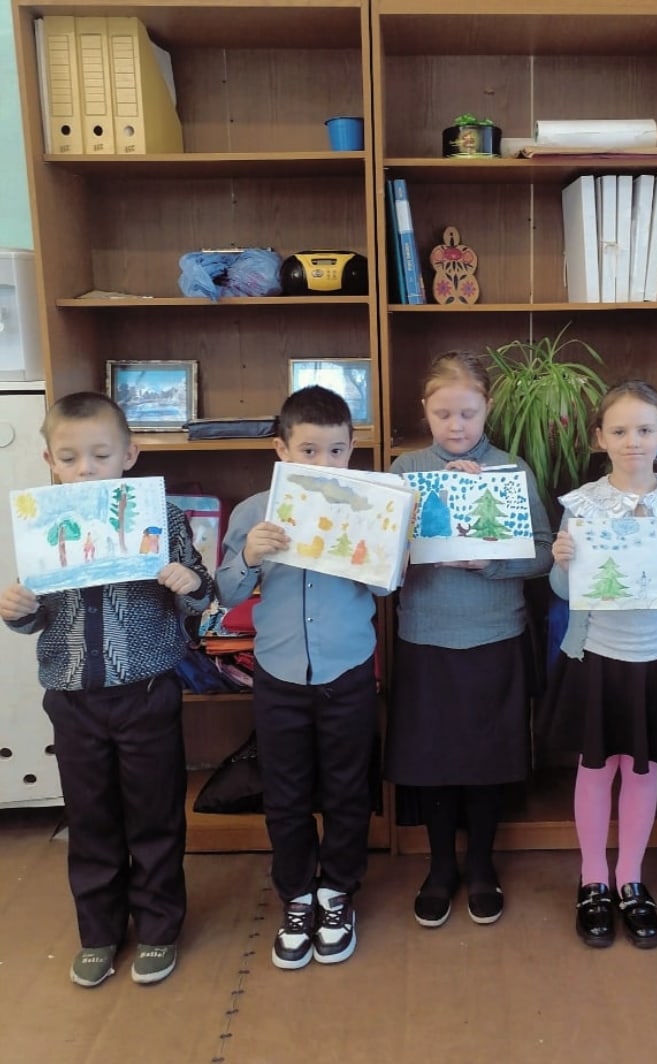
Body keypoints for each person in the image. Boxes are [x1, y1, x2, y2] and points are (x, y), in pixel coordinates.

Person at [0, 392, 214, 988]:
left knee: (155, 814)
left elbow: (201, 596)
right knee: (90, 816)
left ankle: (160, 926)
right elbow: (34, 615)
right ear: (49, 460)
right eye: (69, 458)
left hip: (146, 691)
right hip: (72, 698)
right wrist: (17, 609)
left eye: (100, 455)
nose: (85, 469)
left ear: (129, 455)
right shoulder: (44, 521)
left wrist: (188, 582)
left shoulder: (161, 516)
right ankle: (98, 931)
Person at [540, 380, 657, 950]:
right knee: (595, 768)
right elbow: (563, 590)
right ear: (600, 438)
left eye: (644, 429)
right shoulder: (582, 505)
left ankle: (630, 879)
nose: (633, 441)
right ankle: (593, 878)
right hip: (597, 657)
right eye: (619, 430)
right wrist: (561, 562)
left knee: (643, 770)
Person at [384, 351, 552, 928]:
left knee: (487, 758)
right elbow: (380, 558)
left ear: (488, 409)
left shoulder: (510, 470)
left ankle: (480, 863)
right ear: (425, 411)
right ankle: (439, 867)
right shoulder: (406, 470)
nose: (456, 426)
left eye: (468, 414)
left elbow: (545, 553)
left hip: (495, 635)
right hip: (426, 636)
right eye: (443, 414)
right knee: (433, 759)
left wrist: (492, 559)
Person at [216, 386, 380, 970]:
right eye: (308, 450)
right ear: (282, 449)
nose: (323, 462)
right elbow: (225, 593)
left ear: (351, 448)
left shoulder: (367, 505)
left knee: (347, 789)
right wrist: (249, 557)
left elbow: (387, 587)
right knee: (283, 794)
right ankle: (297, 894)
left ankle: (337, 892)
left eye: (336, 450)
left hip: (348, 669)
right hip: (280, 674)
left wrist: (383, 552)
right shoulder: (252, 513)